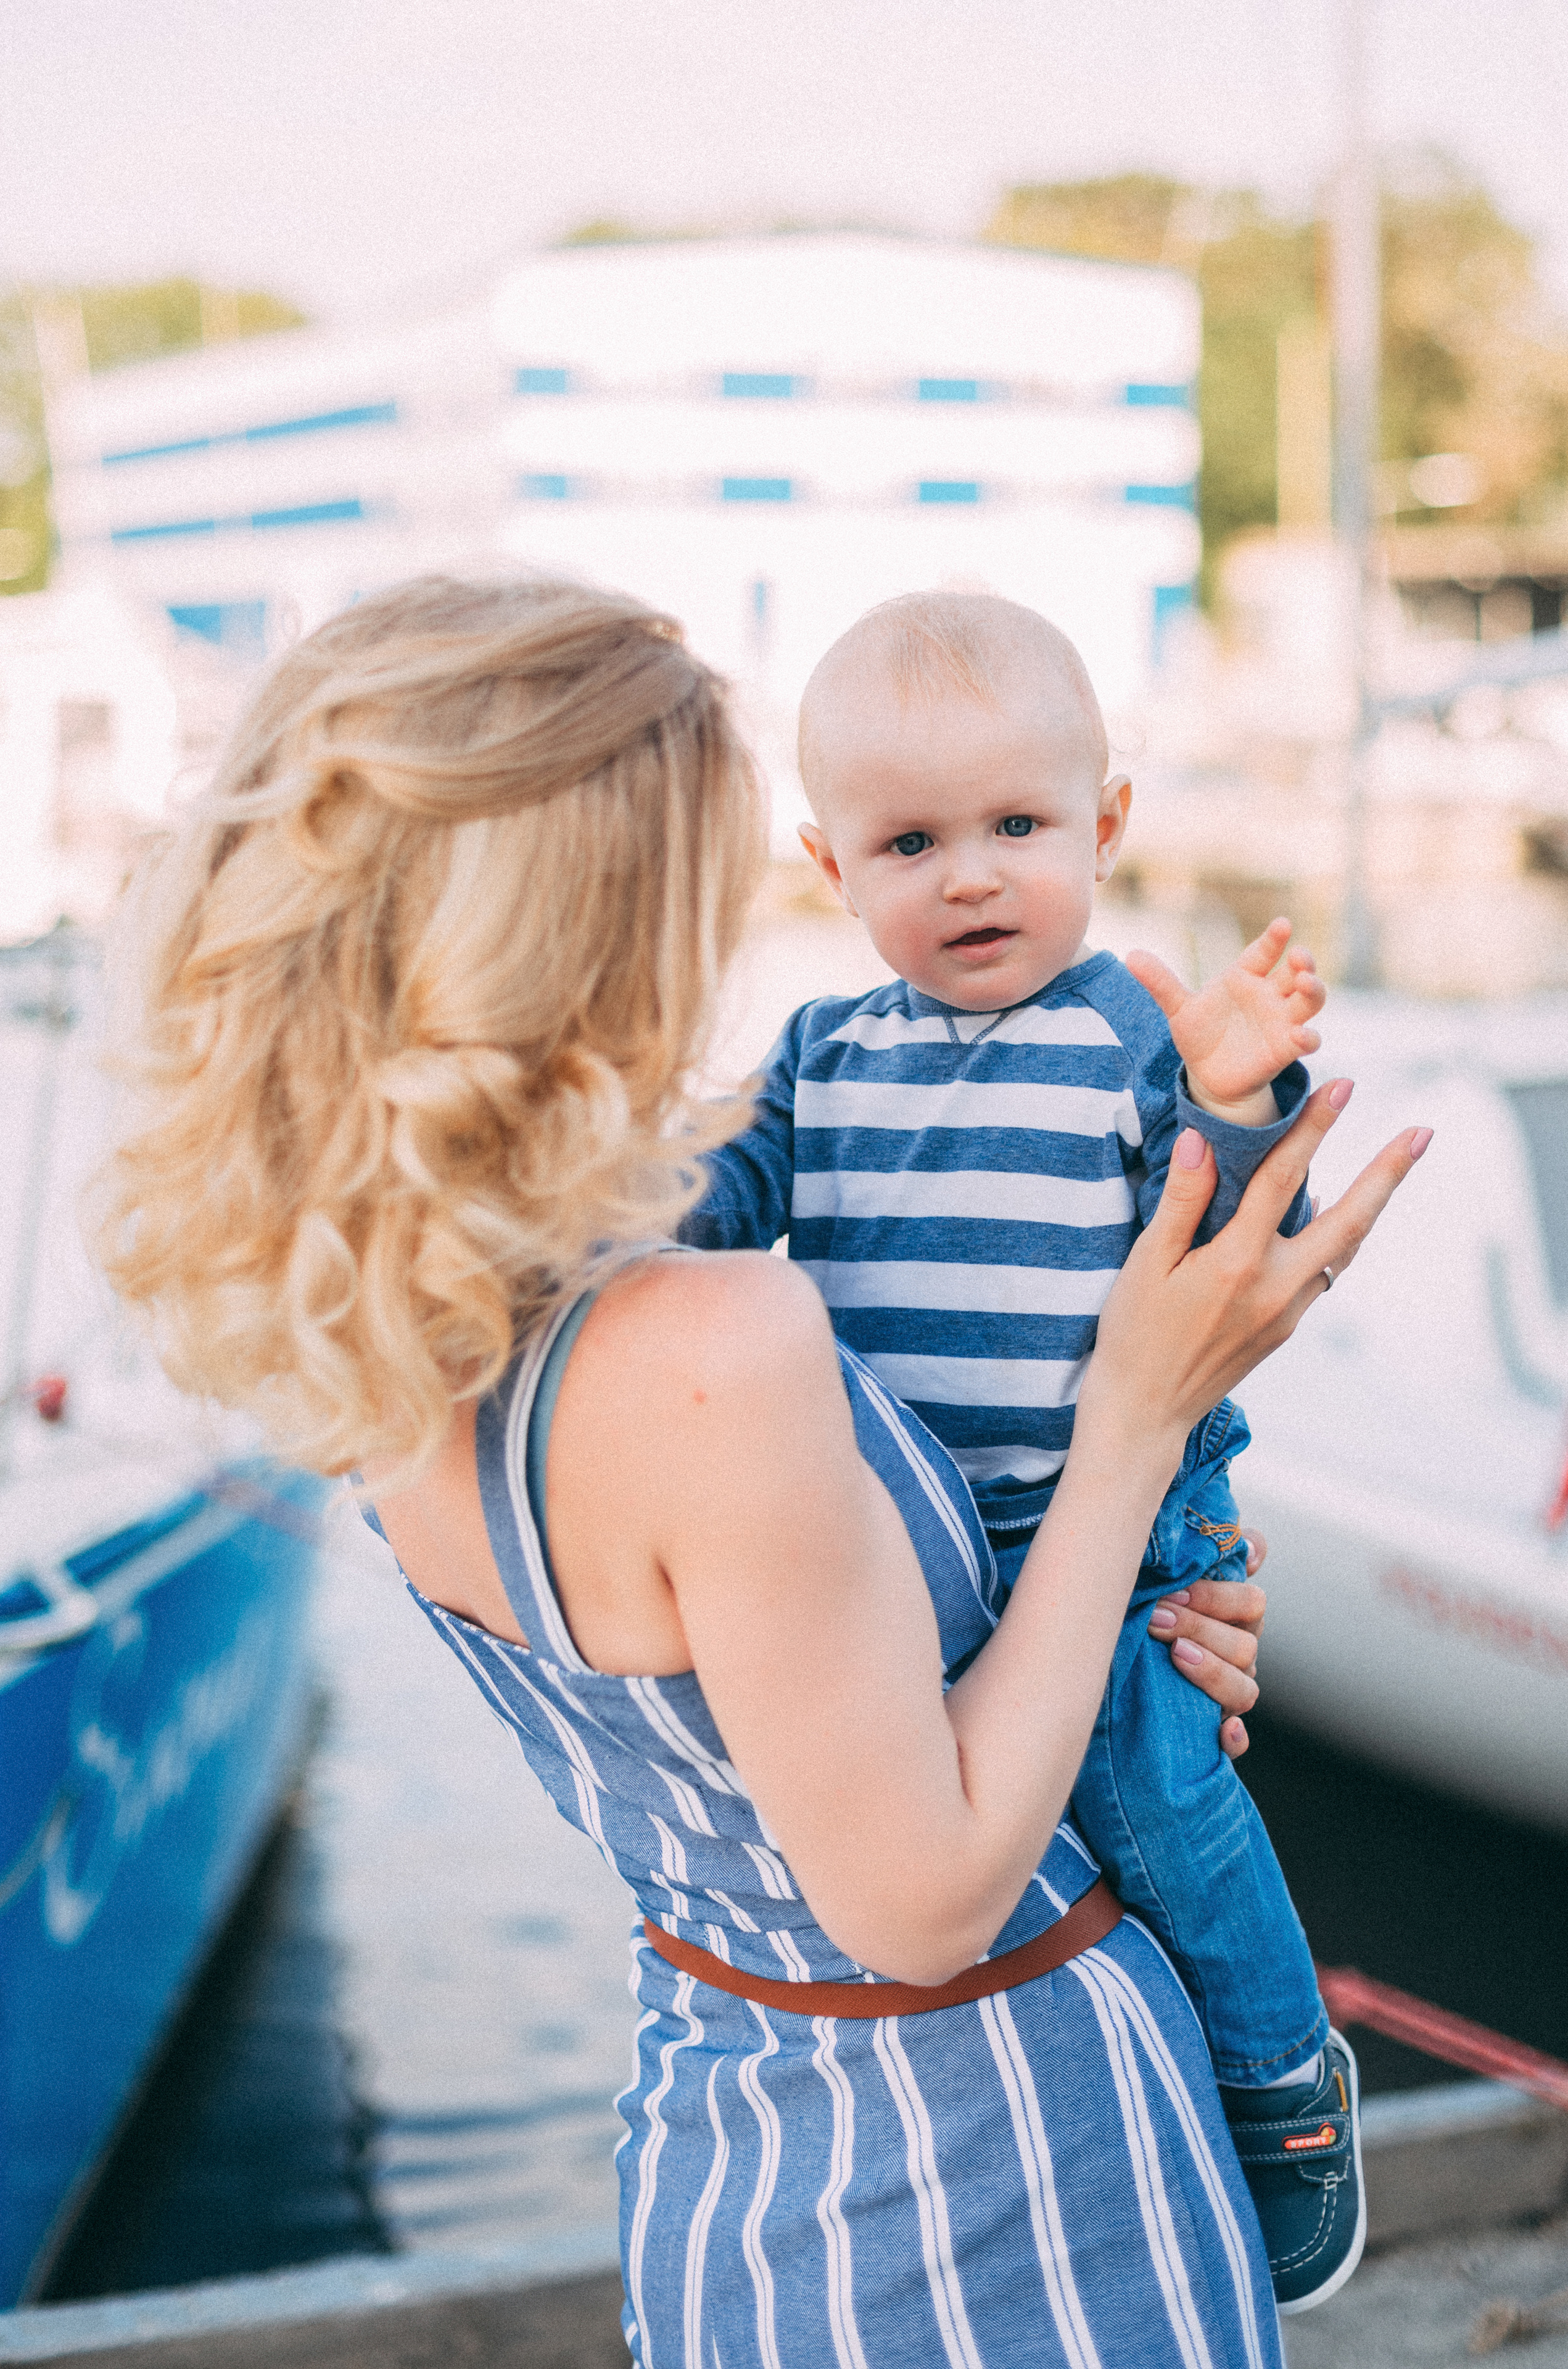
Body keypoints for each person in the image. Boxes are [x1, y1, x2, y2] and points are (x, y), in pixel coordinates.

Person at [97, 576, 1426, 2368]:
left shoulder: (403, 1327)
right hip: (1004, 2189)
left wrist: (1129, 1617)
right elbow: (928, 1896)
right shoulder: (717, 1347)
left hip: (738, 2145)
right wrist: (1132, 1433)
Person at [680, 590, 1355, 2309]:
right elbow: (706, 1211)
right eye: (913, 841)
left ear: (1106, 825)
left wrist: (1239, 1084)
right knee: (990, 1818)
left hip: (1115, 1532)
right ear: (834, 869)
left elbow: (1215, 1211)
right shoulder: (823, 1060)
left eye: (1018, 828)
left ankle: (1282, 2084)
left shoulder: (1126, 1041)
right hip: (921, 1550)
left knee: (1150, 1782)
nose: (972, 876)